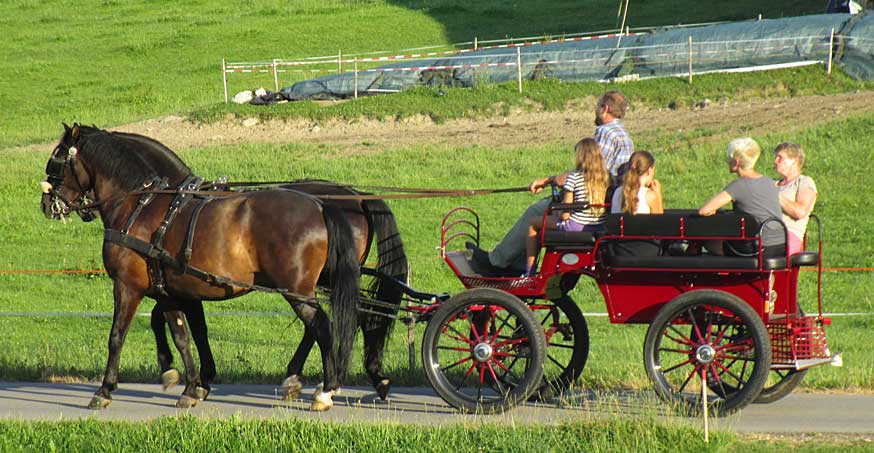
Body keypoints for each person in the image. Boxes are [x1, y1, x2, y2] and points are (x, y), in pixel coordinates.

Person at [467, 90, 634, 276]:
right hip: (603, 200)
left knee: (536, 211)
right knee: (542, 209)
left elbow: (588, 171)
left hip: (587, 203)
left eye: (597, 106)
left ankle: (497, 262)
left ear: (605, 108)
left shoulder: (605, 132)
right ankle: (515, 263)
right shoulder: (625, 136)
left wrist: (546, 181)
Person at [523, 138, 609, 276]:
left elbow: (565, 215)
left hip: (575, 225)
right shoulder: (607, 178)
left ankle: (529, 272)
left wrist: (557, 212)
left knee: (533, 223)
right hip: (599, 226)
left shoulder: (574, 178)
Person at [698, 137, 786, 258]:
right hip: (780, 244)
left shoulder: (738, 185)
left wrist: (714, 211)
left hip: (756, 248)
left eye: (729, 158)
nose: (727, 161)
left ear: (736, 162)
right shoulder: (768, 181)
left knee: (706, 237)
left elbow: (704, 210)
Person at [609, 150, 664, 256]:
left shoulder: (617, 192)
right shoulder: (650, 196)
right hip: (647, 250)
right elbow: (660, 226)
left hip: (620, 249)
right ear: (649, 170)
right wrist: (658, 195)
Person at [774, 142, 818, 255]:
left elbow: (800, 212)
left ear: (795, 160)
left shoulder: (803, 182)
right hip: (763, 232)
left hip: (787, 234)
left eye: (780, 158)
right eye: (776, 157)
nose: (775, 161)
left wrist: (774, 194)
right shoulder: (772, 184)